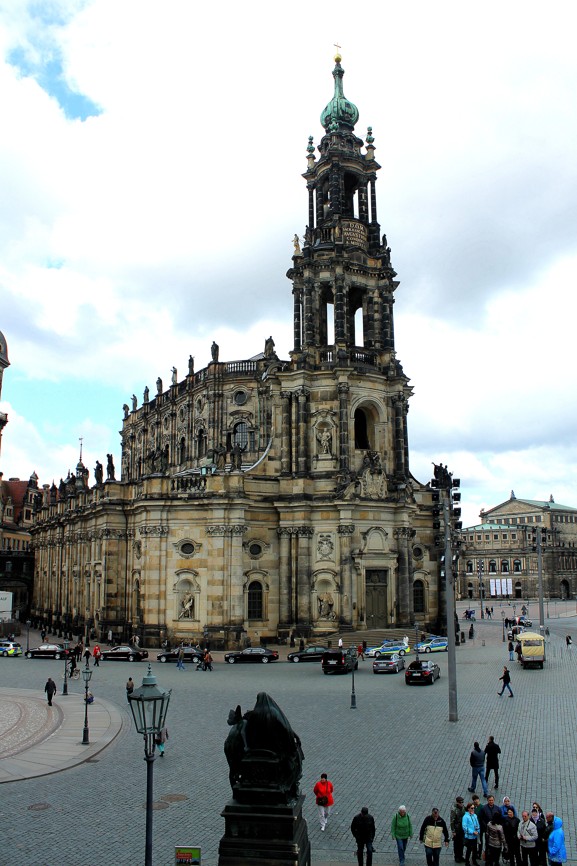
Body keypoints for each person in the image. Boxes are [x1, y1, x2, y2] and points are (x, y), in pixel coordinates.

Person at [450, 796, 466, 863]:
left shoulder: (463, 808)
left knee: (462, 843)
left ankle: (461, 855)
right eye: (460, 802)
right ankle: (456, 856)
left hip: (462, 828)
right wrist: (453, 831)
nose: (461, 803)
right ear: (457, 802)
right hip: (457, 829)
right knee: (457, 844)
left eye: (462, 802)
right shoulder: (454, 810)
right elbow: (452, 821)